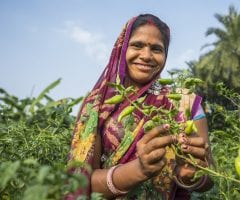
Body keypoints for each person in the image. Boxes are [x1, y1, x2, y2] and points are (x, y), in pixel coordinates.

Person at [66, 14, 213, 200]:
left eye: (157, 49)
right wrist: (139, 170)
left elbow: (208, 179)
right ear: (121, 48)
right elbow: (80, 181)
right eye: (137, 45)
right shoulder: (96, 105)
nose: (146, 56)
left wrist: (191, 175)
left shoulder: (185, 103)